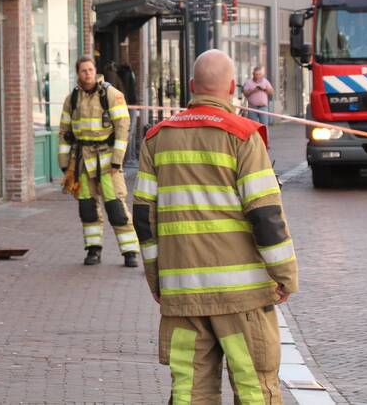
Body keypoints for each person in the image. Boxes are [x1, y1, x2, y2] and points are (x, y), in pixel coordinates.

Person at [134, 50, 297, 403]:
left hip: (183, 295)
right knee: (254, 389)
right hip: (242, 300)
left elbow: (144, 220)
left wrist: (157, 279)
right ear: (233, 88)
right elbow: (265, 214)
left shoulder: (156, 139)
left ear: (192, 87)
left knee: (190, 392)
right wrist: (285, 275)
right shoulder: (243, 136)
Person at [58, 55, 140, 267]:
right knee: (87, 207)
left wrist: (117, 160)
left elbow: (122, 127)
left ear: (96, 71)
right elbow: (65, 132)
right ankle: (93, 250)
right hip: (82, 162)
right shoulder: (72, 99)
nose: (87, 73)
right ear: (78, 73)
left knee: (116, 207)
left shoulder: (111, 94)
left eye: (90, 69)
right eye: (83, 70)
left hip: (106, 161)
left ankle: (130, 251)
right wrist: (64, 162)